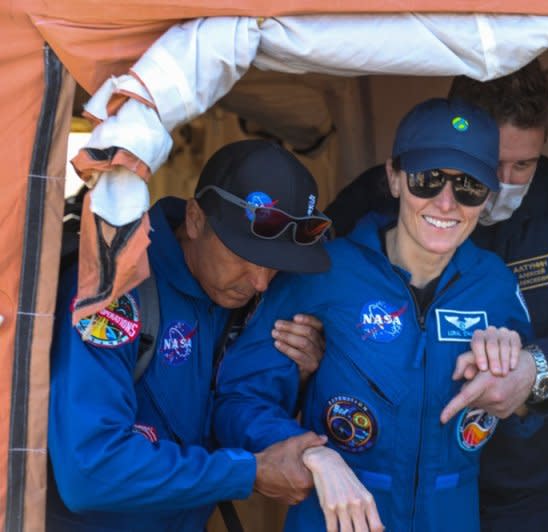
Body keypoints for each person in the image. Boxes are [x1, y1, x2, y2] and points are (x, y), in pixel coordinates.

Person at [324, 59, 548, 531]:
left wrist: (534, 373)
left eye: (525, 164)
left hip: (526, 483)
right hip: (398, 479)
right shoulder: (397, 187)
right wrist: (313, 349)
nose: (507, 182)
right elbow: (311, 289)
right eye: (492, 164)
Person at [214, 97, 539, 532]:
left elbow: (526, 412)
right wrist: (307, 451)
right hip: (337, 517)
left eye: (468, 187)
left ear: (487, 198)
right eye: (428, 179)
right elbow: (239, 398)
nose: (446, 203)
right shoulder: (324, 272)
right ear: (394, 178)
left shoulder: (495, 286)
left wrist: (523, 374)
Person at [47, 140, 334, 531]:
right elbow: (90, 469)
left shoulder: (240, 295)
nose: (261, 282)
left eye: (274, 266)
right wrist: (247, 473)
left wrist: (298, 379)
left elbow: (234, 406)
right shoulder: (114, 289)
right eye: (246, 257)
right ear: (196, 218)